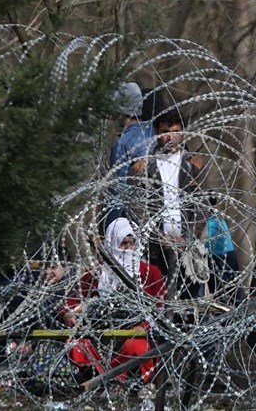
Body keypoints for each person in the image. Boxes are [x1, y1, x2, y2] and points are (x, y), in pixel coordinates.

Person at [61, 217, 166, 383]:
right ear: (111, 244)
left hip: (136, 334)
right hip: (100, 334)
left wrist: (144, 326)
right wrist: (69, 314)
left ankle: (123, 380)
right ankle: (97, 375)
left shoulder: (149, 273)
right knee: (76, 344)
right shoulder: (97, 273)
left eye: (132, 243)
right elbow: (72, 300)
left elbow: (161, 309)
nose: (129, 249)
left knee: (136, 347)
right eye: (123, 243)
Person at [133, 108, 219, 299]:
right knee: (158, 299)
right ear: (156, 133)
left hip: (188, 247)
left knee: (189, 300)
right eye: (164, 131)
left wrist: (187, 237)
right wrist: (157, 236)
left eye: (175, 131)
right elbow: (138, 208)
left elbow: (203, 205)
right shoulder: (145, 166)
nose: (170, 137)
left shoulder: (194, 165)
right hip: (155, 248)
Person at [103, 82, 155, 234]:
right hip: (159, 217)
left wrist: (109, 229)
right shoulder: (156, 133)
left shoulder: (121, 143)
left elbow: (117, 192)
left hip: (131, 223)